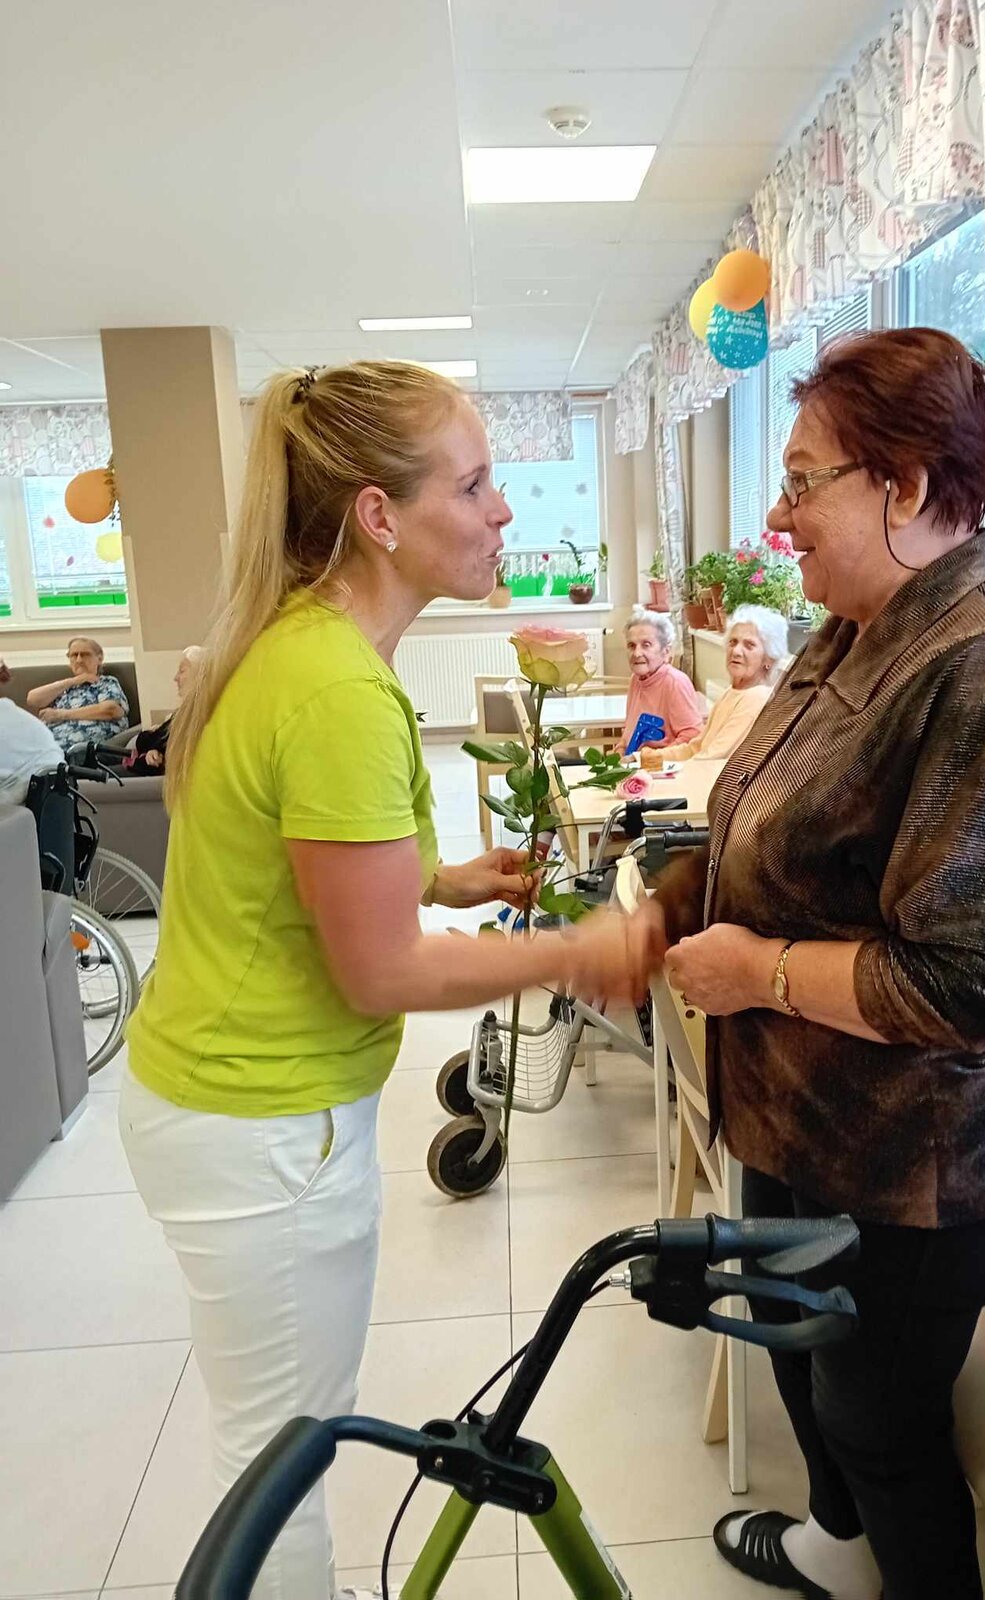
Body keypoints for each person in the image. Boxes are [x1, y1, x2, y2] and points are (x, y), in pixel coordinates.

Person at [118, 360, 662, 1600]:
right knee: (281, 1468)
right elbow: (378, 970)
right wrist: (577, 950)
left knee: (276, 1439)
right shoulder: (337, 690)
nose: (502, 510)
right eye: (473, 486)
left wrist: (453, 879)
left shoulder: (305, 649)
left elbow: (305, 871)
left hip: (230, 1105)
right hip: (260, 1124)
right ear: (379, 515)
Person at [647, 328, 985, 1600]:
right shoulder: (859, 628)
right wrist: (688, 895)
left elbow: (979, 985)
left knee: (881, 1421)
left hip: (921, 1162)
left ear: (902, 488)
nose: (777, 515)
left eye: (802, 481)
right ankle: (838, 1548)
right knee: (797, 1347)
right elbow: (796, 826)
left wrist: (757, 971)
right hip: (810, 1120)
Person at [650, 605, 782, 764]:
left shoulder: (756, 697)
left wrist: (649, 767)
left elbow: (710, 758)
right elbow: (696, 748)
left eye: (749, 645)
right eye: (733, 642)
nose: (736, 651)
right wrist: (644, 759)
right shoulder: (732, 692)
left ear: (768, 659)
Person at [620, 606, 705, 752]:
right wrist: (620, 749)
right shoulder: (636, 679)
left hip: (661, 765)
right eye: (631, 646)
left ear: (666, 651)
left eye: (646, 645)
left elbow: (692, 736)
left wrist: (649, 758)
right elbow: (629, 730)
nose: (637, 653)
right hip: (634, 762)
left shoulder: (675, 682)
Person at [24, 636, 129, 751]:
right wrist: (72, 681)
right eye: (74, 655)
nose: (79, 660)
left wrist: (61, 714)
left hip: (77, 749)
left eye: (85, 654)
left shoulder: (106, 682)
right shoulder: (65, 687)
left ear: (99, 658)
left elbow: (111, 710)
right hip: (43, 745)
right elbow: (32, 699)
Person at [120, 645, 204, 774]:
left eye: (182, 671)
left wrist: (153, 751)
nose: (175, 678)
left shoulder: (196, 713)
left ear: (199, 675)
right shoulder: (187, 710)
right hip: (140, 755)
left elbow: (156, 748)